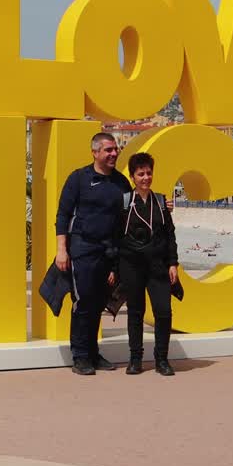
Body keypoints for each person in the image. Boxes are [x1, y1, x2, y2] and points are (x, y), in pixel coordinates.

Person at [55, 132, 131, 376]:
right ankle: (80, 356)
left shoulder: (122, 183)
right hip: (82, 249)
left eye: (115, 149)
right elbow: (62, 216)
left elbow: (128, 219)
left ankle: (93, 353)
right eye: (108, 149)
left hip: (109, 253)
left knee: (99, 303)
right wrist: (61, 251)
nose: (114, 153)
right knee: (83, 302)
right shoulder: (78, 179)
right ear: (95, 152)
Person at [115, 152, 178, 376]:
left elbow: (170, 234)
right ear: (132, 177)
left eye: (149, 173)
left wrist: (173, 263)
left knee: (163, 312)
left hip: (158, 266)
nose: (145, 177)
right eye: (140, 174)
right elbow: (115, 237)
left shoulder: (160, 202)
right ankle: (135, 359)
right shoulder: (124, 203)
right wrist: (114, 269)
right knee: (135, 312)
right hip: (131, 266)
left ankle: (162, 359)